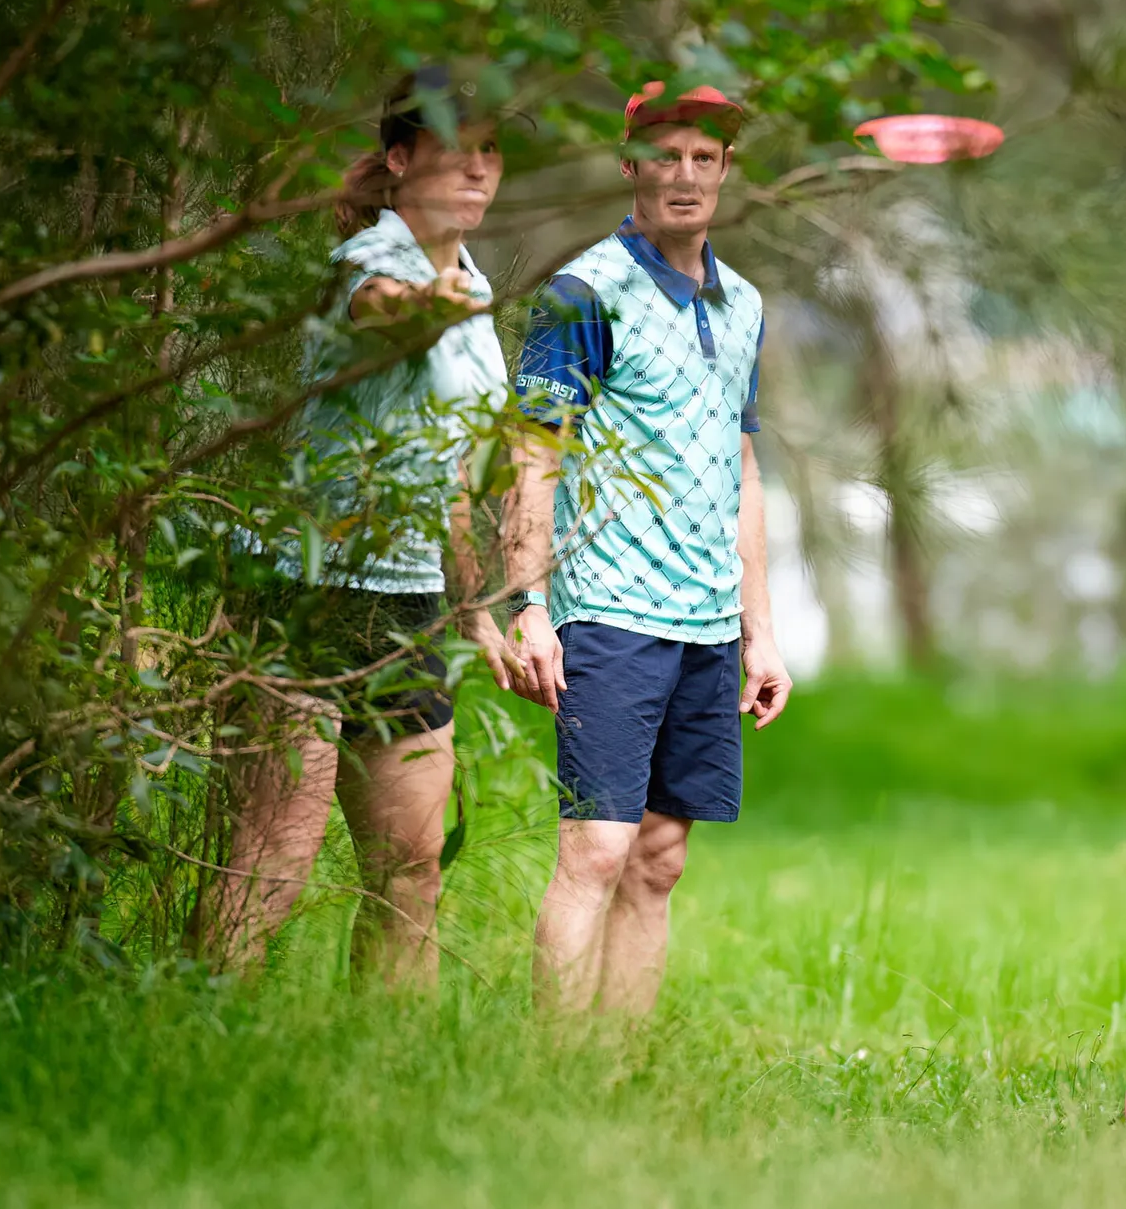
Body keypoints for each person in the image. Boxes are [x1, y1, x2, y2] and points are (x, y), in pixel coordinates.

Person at [205, 67, 515, 982]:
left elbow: (455, 470)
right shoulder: (370, 262)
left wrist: (476, 612)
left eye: (490, 148)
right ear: (399, 157)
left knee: (412, 867)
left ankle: (383, 1071)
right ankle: (204, 1037)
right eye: (453, 145)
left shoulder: (477, 288)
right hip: (305, 589)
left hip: (408, 600)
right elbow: (382, 315)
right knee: (273, 856)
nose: (475, 165)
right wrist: (429, 307)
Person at [504, 82, 792, 1014]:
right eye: (665, 156)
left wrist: (762, 632)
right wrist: (530, 605)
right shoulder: (583, 293)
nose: (685, 175)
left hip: (707, 622)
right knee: (595, 848)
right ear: (629, 165)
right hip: (609, 612)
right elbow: (531, 456)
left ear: (725, 171)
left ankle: (617, 1074)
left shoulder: (742, 301)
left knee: (661, 859)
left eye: (704, 158)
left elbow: (740, 469)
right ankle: (553, 1078)